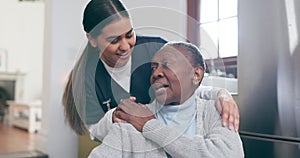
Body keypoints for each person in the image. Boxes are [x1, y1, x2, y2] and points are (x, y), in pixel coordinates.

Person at [65, 0, 240, 137]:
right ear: (92, 39)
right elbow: (95, 130)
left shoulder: (156, 49)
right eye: (114, 40)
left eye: (129, 34)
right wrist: (113, 118)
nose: (126, 46)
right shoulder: (85, 77)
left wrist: (220, 94)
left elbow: (190, 86)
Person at [88, 41, 244, 158]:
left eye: (167, 64)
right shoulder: (134, 119)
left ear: (196, 75)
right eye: (153, 68)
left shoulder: (215, 111)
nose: (156, 73)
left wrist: (150, 126)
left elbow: (231, 155)